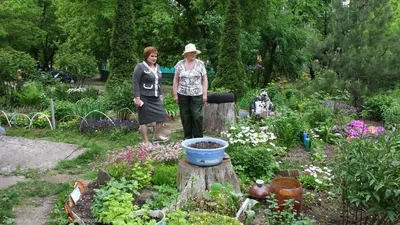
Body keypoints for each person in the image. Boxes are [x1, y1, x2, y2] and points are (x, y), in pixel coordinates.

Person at [133, 46, 168, 144]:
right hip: (144, 97)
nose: (154, 58)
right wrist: (137, 98)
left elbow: (159, 82)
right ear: (146, 56)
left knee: (162, 116)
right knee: (144, 120)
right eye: (152, 56)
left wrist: (160, 94)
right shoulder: (140, 67)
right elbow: (135, 82)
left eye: (155, 56)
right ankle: (145, 141)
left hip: (156, 97)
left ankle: (156, 135)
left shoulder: (158, 67)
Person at [173, 43, 208, 139]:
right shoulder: (179, 64)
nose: (194, 54)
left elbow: (205, 79)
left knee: (197, 116)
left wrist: (205, 94)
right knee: (185, 116)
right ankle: (187, 137)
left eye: (194, 52)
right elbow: (176, 80)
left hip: (197, 94)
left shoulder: (200, 64)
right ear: (186, 53)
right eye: (192, 52)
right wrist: (175, 94)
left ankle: (198, 137)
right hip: (182, 94)